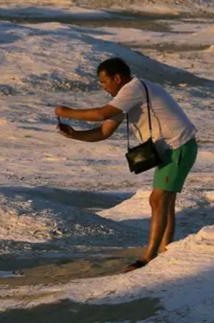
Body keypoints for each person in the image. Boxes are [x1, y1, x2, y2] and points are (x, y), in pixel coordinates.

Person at [55, 57, 197, 272]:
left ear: (117, 78)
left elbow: (101, 114)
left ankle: (148, 258)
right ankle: (166, 250)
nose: (104, 87)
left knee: (159, 199)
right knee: (163, 201)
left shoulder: (134, 88)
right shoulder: (126, 96)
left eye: (104, 82)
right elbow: (104, 132)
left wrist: (66, 111)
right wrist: (75, 135)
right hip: (169, 149)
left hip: (178, 146)